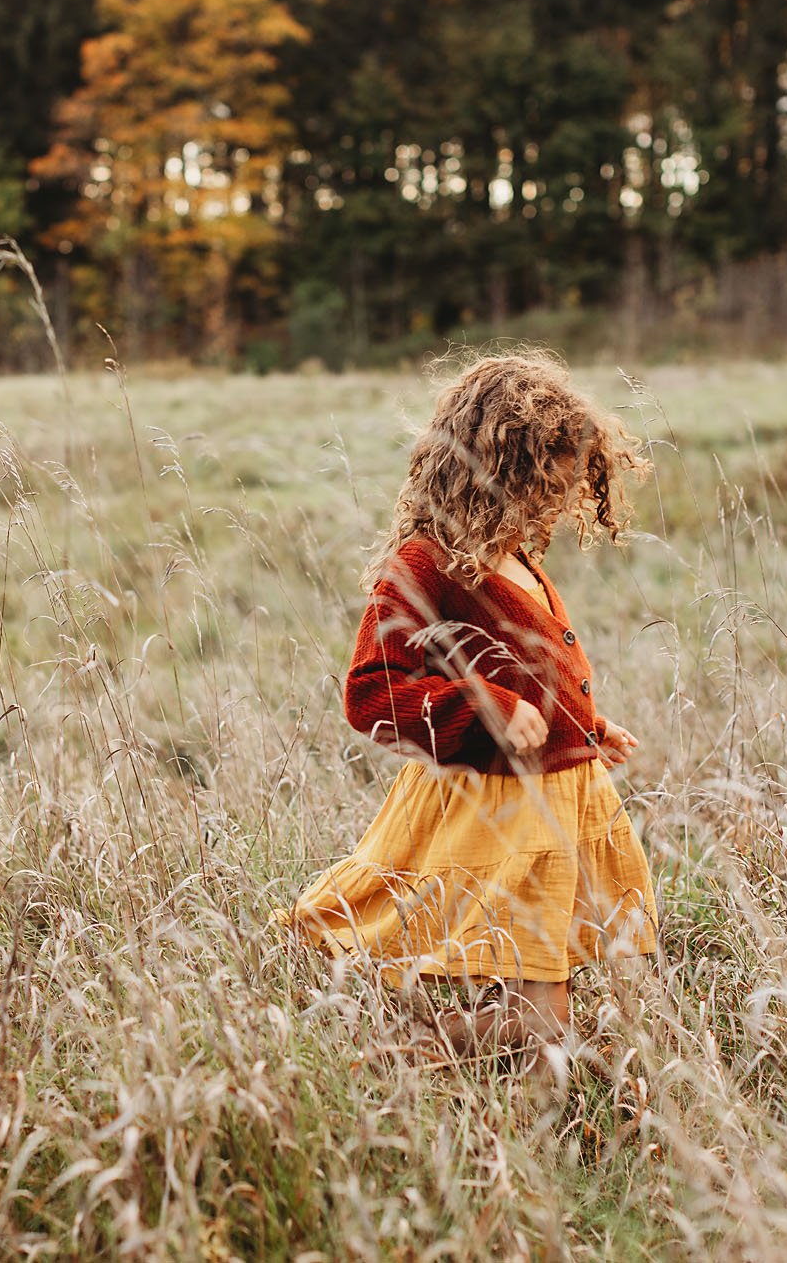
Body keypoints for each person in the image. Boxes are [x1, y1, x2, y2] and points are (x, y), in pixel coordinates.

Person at [275, 350, 659, 1057]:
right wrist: (483, 706)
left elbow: (530, 676)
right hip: (496, 815)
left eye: (564, 479)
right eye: (540, 478)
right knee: (539, 1020)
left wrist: (587, 730)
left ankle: (530, 1138)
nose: (554, 497)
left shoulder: (518, 556)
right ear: (488, 471)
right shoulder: (427, 564)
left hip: (558, 805)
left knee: (546, 1013)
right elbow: (370, 694)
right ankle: (375, 1064)